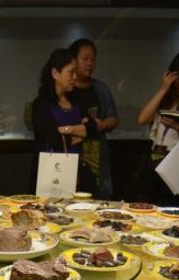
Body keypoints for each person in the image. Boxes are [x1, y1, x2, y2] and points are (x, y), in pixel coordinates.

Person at [135, 50, 179, 205]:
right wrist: (163, 88)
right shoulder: (164, 97)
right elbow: (142, 119)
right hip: (155, 159)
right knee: (145, 206)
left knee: (169, 208)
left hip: (177, 163)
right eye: (178, 77)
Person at [31, 48, 95, 193]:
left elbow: (92, 129)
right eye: (70, 72)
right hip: (49, 172)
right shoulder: (41, 104)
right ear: (55, 73)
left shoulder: (77, 100)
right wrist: (80, 132)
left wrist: (67, 130)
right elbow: (55, 140)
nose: (74, 77)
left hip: (77, 170)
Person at [68, 38, 119, 199]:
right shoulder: (67, 88)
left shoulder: (100, 89)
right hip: (71, 154)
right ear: (73, 60)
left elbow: (114, 119)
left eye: (93, 59)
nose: (90, 63)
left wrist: (102, 125)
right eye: (85, 59)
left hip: (97, 155)